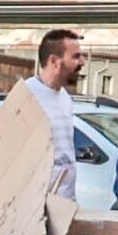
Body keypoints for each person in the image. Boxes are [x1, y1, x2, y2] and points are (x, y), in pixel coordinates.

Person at [22, 27, 92, 192]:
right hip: (37, 204)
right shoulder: (27, 96)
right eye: (75, 56)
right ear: (54, 61)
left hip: (64, 201)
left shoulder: (64, 98)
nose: (82, 62)